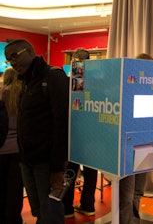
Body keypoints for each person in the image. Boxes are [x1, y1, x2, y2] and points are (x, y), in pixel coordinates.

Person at [4, 39, 69, 224]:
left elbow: (62, 123)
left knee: (51, 213)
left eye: (15, 56)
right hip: (27, 160)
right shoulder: (26, 81)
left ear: (30, 51)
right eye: (9, 60)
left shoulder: (52, 77)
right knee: (40, 212)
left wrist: (57, 168)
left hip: (47, 163)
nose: (13, 62)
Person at [119, 52, 153, 224]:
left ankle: (134, 220)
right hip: (127, 148)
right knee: (126, 194)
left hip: (145, 145)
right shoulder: (126, 88)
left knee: (138, 191)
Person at [63, 48, 98, 218]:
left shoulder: (75, 79)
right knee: (91, 171)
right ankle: (88, 205)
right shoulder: (98, 81)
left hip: (75, 132)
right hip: (93, 132)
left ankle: (67, 208)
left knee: (70, 169)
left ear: (75, 60)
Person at [0, 67, 23, 224]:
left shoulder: (2, 95)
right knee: (15, 190)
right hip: (19, 149)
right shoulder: (23, 95)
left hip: (1, 148)